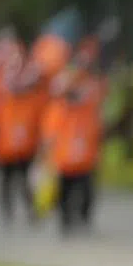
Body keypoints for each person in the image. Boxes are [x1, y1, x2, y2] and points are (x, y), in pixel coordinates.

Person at [41, 70, 102, 234]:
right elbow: (49, 137)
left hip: (84, 160)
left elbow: (96, 131)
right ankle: (65, 220)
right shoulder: (57, 110)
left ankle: (83, 217)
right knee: (63, 193)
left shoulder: (88, 109)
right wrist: (46, 159)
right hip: (64, 160)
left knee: (87, 193)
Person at [0, 60, 46, 224]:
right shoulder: (2, 101)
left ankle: (31, 210)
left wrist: (41, 148)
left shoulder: (34, 101)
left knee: (27, 183)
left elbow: (41, 126)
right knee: (7, 183)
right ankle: (7, 211)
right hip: (5, 150)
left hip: (27, 150)